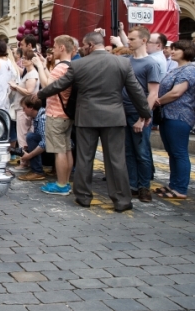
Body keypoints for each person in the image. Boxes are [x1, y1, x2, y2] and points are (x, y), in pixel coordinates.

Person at [37, 31, 151, 212]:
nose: (81, 48)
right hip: (114, 117)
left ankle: (83, 196)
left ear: (90, 45)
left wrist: (40, 94)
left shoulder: (79, 65)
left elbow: (59, 85)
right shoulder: (122, 63)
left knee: (85, 158)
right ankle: (121, 200)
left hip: (87, 117)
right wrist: (145, 112)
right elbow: (135, 90)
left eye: (83, 45)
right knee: (116, 160)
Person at [32, 35, 75, 193]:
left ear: (62, 48)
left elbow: (46, 86)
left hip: (56, 113)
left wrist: (40, 66)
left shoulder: (60, 67)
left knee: (59, 151)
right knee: (67, 148)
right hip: (66, 114)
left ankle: (61, 184)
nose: (53, 50)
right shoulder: (71, 66)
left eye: (55, 47)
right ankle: (66, 181)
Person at [123, 26, 160, 203]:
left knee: (142, 152)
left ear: (143, 40)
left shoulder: (151, 63)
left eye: (132, 39)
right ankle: (132, 186)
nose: (128, 42)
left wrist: (143, 117)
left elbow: (153, 93)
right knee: (129, 152)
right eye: (128, 39)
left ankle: (144, 187)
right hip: (124, 112)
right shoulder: (127, 61)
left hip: (138, 114)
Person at [154, 40, 195, 199]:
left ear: (187, 51)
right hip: (168, 115)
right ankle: (174, 185)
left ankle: (180, 188)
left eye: (176, 49)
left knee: (179, 152)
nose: (172, 51)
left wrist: (157, 102)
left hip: (180, 116)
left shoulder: (190, 69)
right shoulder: (178, 69)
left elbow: (176, 93)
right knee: (172, 152)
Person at [9, 50, 39, 157]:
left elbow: (29, 91)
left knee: (22, 136)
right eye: (24, 58)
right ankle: (25, 160)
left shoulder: (32, 74)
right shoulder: (29, 73)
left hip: (25, 108)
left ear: (31, 61)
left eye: (26, 59)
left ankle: (24, 161)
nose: (23, 60)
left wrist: (16, 86)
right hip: (24, 107)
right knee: (23, 134)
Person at [17, 95, 47, 181]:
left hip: (57, 145)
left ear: (31, 108)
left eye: (24, 108)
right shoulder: (37, 116)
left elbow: (44, 143)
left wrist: (29, 155)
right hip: (52, 143)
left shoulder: (42, 118)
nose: (23, 110)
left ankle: (37, 172)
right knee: (31, 138)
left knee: (31, 137)